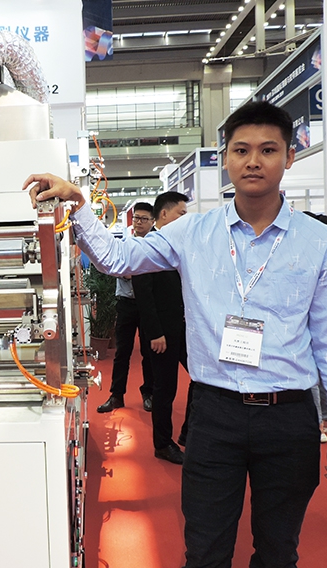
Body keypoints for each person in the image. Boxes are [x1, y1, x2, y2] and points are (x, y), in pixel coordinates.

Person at [24, 100, 327, 568]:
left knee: (279, 552)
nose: (253, 161)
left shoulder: (320, 242)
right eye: (241, 150)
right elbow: (119, 259)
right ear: (225, 159)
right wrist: (77, 204)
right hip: (214, 414)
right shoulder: (193, 232)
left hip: (288, 418)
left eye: (268, 150)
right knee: (204, 551)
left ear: (289, 156)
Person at [132, 192, 188, 465]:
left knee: (202, 379)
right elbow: (144, 295)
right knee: (165, 390)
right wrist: (155, 333)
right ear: (164, 215)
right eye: (181, 214)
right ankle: (163, 444)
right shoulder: (148, 247)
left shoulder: (180, 245)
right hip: (162, 333)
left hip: (185, 328)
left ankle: (189, 431)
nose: (185, 219)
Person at [97, 202, 156, 413]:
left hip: (149, 305)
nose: (139, 222)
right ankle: (116, 395)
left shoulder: (157, 245)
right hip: (126, 302)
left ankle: (149, 393)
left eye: (144, 219)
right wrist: (132, 273)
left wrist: (135, 273)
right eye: (136, 218)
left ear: (153, 221)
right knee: (122, 351)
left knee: (149, 352)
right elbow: (117, 267)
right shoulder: (124, 243)